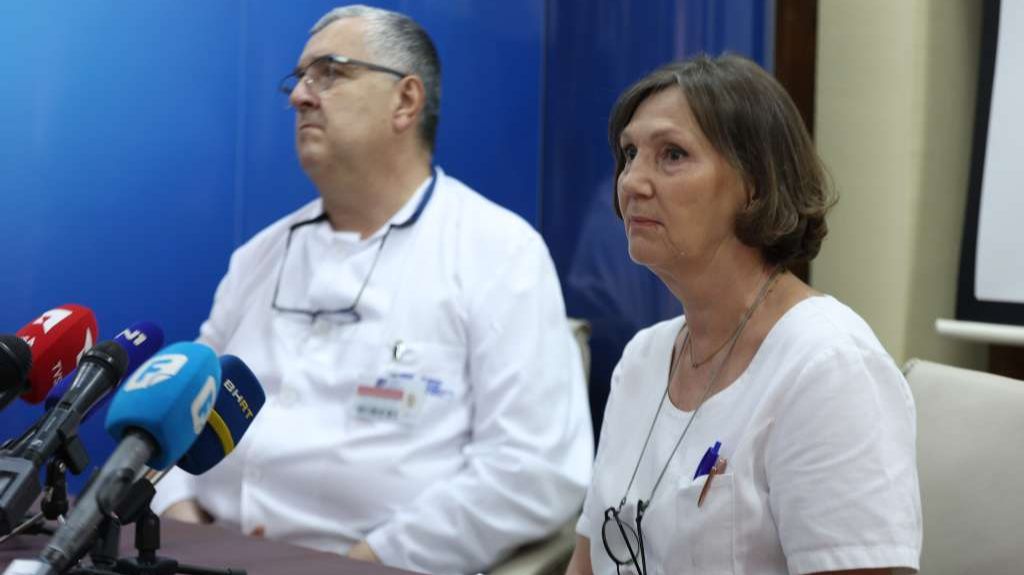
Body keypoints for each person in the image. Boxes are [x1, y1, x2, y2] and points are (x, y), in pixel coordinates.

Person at [151, 5, 593, 574]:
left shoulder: (499, 253)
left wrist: (367, 561)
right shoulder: (259, 256)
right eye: (299, 79)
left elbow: (534, 471)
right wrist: (180, 520)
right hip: (204, 556)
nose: (300, 96)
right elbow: (177, 411)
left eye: (329, 73)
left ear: (405, 101)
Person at [566, 54, 921, 575]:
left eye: (672, 155)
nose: (632, 182)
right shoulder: (642, 359)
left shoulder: (829, 367)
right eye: (629, 154)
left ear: (755, 183)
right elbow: (588, 562)